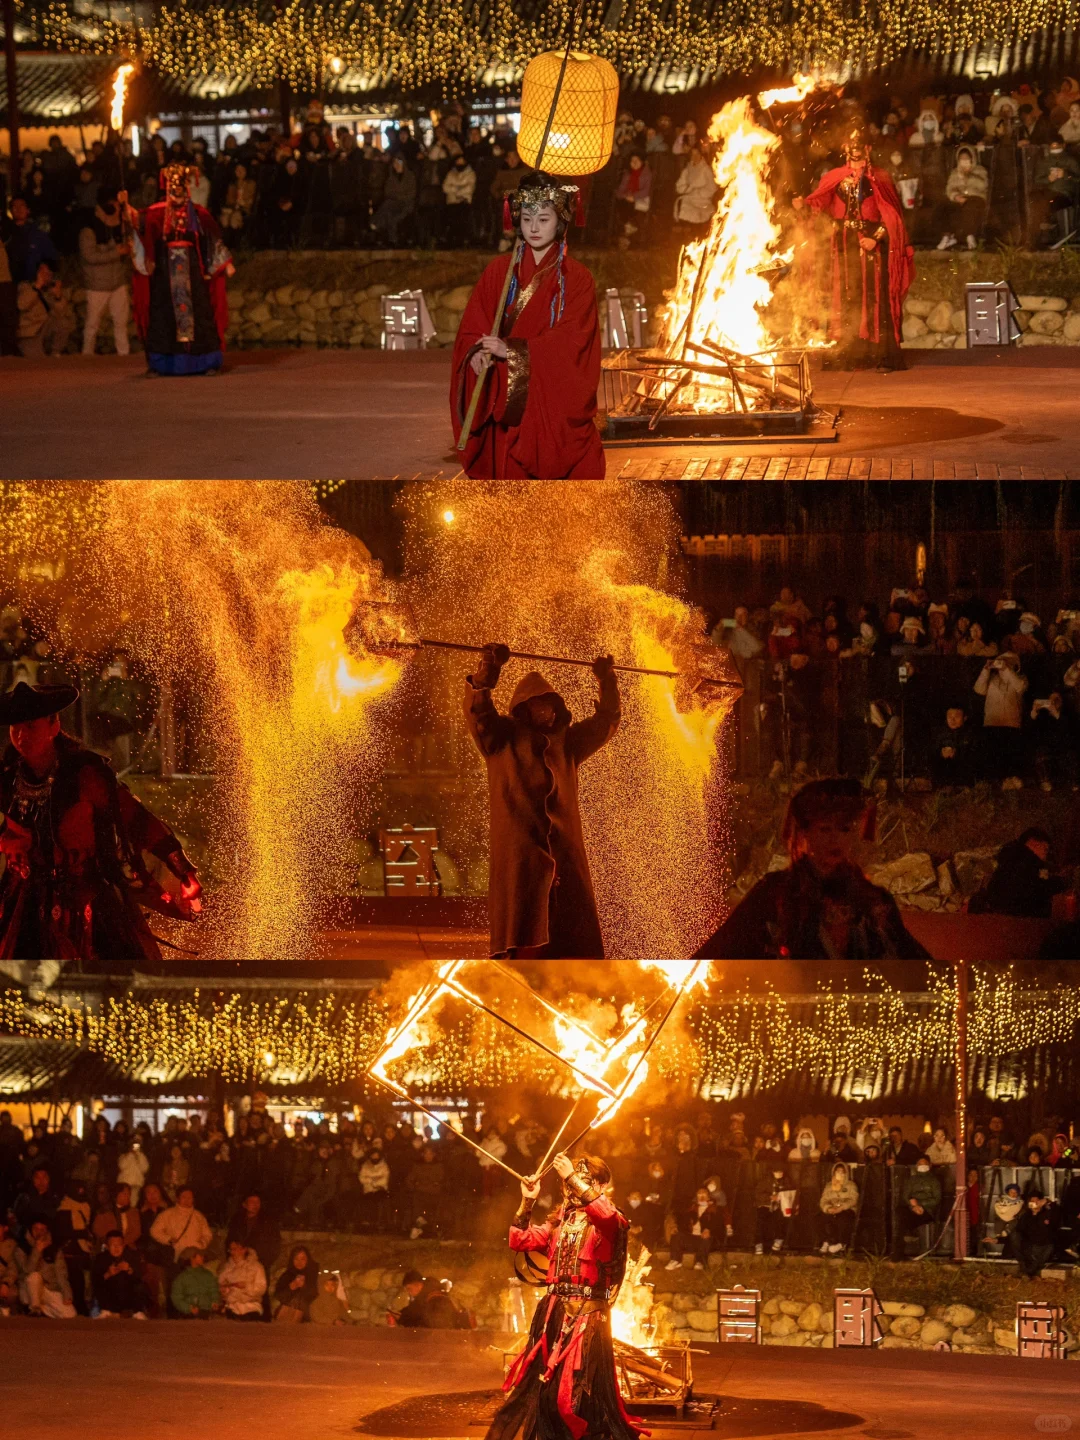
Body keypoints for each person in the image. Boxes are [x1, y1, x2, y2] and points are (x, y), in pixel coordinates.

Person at [0, 682, 202, 961]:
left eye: (31, 726)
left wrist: (182, 870)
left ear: (54, 726)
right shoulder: (9, 777)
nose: (21, 735)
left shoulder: (85, 775)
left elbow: (136, 820)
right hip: (26, 902)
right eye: (15, 728)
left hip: (86, 899)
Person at [464, 645, 620, 958]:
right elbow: (478, 713)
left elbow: (605, 722)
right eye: (537, 704)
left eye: (550, 703)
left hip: (565, 859)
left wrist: (607, 682)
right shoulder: (501, 739)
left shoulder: (569, 743)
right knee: (525, 937)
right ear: (523, 708)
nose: (545, 710)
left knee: (570, 940)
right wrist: (487, 671)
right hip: (522, 859)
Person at [451, 171, 605, 478]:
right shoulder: (498, 272)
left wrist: (512, 349)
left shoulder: (576, 278)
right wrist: (477, 353)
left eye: (544, 219)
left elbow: (573, 340)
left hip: (546, 396)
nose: (533, 227)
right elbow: (474, 326)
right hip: (503, 395)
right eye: (527, 218)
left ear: (560, 221)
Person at [484, 1151, 643, 1440]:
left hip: (586, 1318)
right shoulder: (560, 1224)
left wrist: (570, 1173)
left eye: (581, 1181)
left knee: (572, 1399)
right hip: (553, 1315)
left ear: (601, 1186)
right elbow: (518, 1240)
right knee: (539, 1395)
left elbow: (605, 1215)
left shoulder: (611, 1223)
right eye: (568, 1184)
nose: (572, 1188)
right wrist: (528, 1200)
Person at [694, 778, 930, 958]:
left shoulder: (871, 899)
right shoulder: (775, 893)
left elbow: (914, 962)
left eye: (844, 829)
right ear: (805, 834)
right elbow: (721, 950)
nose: (835, 839)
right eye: (825, 829)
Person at [794, 128, 914, 370]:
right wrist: (802, 207)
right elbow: (819, 208)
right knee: (843, 296)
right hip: (841, 246)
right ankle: (845, 354)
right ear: (844, 148)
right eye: (851, 143)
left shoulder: (880, 177)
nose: (855, 147)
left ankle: (879, 354)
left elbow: (893, 219)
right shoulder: (834, 177)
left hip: (870, 246)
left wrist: (876, 238)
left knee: (872, 297)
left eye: (860, 143)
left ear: (868, 148)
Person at [126, 163, 233, 376]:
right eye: (173, 189)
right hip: (165, 273)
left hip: (193, 272)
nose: (177, 194)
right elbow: (139, 223)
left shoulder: (199, 213)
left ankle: (205, 362)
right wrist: (125, 208)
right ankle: (161, 363)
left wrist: (224, 263)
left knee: (200, 314)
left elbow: (211, 237)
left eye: (181, 189)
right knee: (164, 316)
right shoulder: (156, 213)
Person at [969, 828, 1065, 918]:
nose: (1046, 855)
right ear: (1034, 844)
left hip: (1005, 919)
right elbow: (1037, 889)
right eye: (1045, 849)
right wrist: (1060, 882)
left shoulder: (1011, 860)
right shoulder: (1024, 863)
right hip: (1018, 923)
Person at [79, 190, 130, 355]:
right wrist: (116, 253)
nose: (113, 208)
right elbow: (90, 256)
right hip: (98, 285)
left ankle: (124, 356)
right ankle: (87, 356)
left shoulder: (118, 227)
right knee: (92, 323)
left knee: (121, 323)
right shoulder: (89, 231)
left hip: (117, 282)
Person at [16, 1220, 76, 1317]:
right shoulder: (22, 1248)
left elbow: (61, 1274)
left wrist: (67, 1294)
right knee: (34, 1276)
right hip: (29, 1291)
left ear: (47, 1230)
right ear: (30, 1230)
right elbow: (27, 1270)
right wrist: (36, 1251)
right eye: (36, 1229)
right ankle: (35, 1309)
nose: (39, 1232)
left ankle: (43, 1310)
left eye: (42, 1229)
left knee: (69, 1314)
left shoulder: (54, 1249)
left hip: (49, 1288)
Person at [16, 261, 73, 356]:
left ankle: (55, 351)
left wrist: (58, 296)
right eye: (43, 273)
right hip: (31, 332)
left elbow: (62, 313)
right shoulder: (26, 287)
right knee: (38, 360)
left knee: (63, 323)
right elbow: (22, 305)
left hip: (45, 328)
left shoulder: (49, 291)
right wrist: (37, 287)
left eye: (48, 273)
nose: (46, 276)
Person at [936, 146, 988, 250]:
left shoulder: (980, 170)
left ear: (972, 158)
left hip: (976, 197)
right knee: (944, 206)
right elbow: (950, 188)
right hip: (960, 198)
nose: (964, 161)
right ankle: (947, 237)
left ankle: (970, 236)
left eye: (966, 158)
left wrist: (968, 175)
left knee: (970, 206)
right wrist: (956, 196)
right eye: (961, 159)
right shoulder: (955, 172)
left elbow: (983, 185)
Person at [890, 1155, 942, 1259]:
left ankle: (910, 1236)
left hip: (927, 1211)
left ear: (930, 1165)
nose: (922, 1166)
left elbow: (937, 1199)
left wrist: (921, 1205)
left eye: (925, 1164)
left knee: (905, 1221)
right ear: (916, 1166)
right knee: (900, 1214)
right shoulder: (911, 1180)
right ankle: (898, 1253)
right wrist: (913, 1207)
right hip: (913, 1209)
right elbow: (906, 1196)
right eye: (920, 1164)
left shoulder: (934, 1181)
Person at [92, 1229, 149, 1317]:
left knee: (140, 1286)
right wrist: (108, 1274)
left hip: (128, 1296)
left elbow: (141, 1275)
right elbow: (95, 1280)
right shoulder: (101, 1258)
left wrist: (129, 1270)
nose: (116, 1248)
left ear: (123, 1245)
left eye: (119, 1245)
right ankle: (106, 1310)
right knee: (100, 1284)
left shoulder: (132, 1256)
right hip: (110, 1297)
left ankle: (137, 1312)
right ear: (107, 1246)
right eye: (112, 1245)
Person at [1012, 1192, 1060, 1278]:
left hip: (1045, 1246)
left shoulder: (1048, 1213)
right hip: (1031, 1248)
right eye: (1032, 1201)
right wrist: (998, 1240)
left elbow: (1057, 1212)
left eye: (1037, 1201)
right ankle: (1027, 1271)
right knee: (1015, 1236)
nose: (1035, 1203)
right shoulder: (1026, 1216)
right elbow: (1018, 1231)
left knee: (1046, 1251)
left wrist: (1047, 1201)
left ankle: (1026, 1272)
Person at [217, 1239, 267, 1320]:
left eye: (235, 1249)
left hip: (251, 1305)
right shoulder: (226, 1267)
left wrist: (246, 1287)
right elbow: (220, 1284)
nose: (232, 1252)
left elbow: (261, 1288)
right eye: (231, 1249)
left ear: (244, 1250)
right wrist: (224, 1291)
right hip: (232, 1305)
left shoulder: (256, 1267)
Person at [818, 1161, 860, 1253]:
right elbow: (823, 1200)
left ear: (846, 1173)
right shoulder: (829, 1185)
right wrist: (828, 1208)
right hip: (832, 1209)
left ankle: (842, 1244)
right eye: (837, 1171)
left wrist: (841, 1208)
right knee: (823, 1218)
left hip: (846, 1209)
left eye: (842, 1172)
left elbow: (853, 1199)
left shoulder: (851, 1185)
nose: (839, 1173)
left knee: (843, 1219)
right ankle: (827, 1241)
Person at [753, 1162, 794, 1255]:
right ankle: (758, 1244)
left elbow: (790, 1192)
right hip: (765, 1205)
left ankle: (779, 1240)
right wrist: (770, 1197)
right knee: (761, 1222)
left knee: (781, 1220)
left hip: (780, 1206)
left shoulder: (786, 1181)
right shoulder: (765, 1181)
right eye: (777, 1172)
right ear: (772, 1172)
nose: (780, 1174)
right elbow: (757, 1194)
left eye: (781, 1172)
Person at [273, 1243, 319, 1321]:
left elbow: (315, 1296)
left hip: (307, 1318)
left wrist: (304, 1286)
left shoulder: (313, 1275)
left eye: (302, 1259)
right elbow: (278, 1296)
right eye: (296, 1259)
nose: (299, 1262)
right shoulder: (286, 1276)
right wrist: (291, 1287)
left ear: (307, 1260)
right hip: (287, 1317)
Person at [170, 1246, 220, 1318]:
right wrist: (188, 1308)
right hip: (188, 1314)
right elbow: (176, 1297)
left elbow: (214, 1290)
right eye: (200, 1255)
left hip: (206, 1311)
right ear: (192, 1257)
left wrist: (215, 1301)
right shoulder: (182, 1277)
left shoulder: (208, 1275)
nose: (203, 1257)